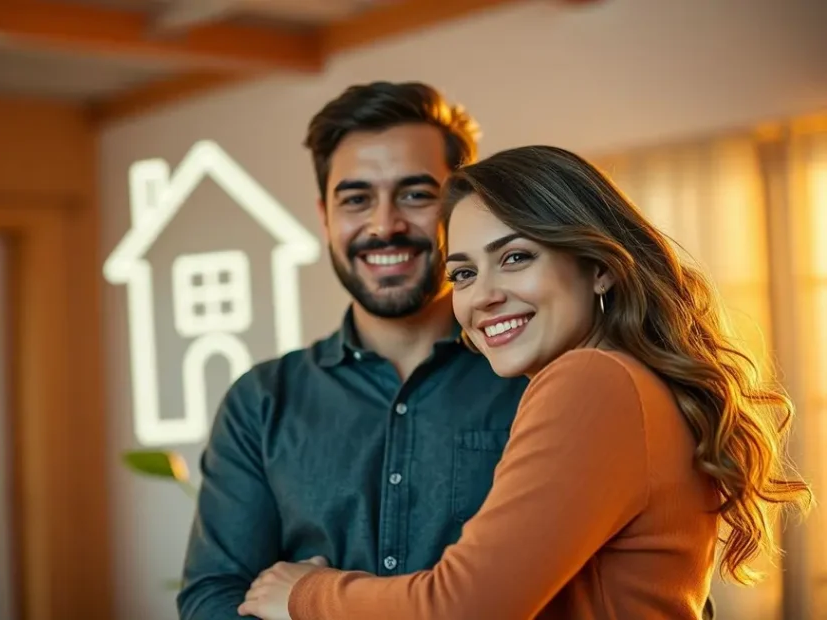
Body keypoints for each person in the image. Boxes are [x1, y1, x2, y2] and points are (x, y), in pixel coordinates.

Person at [238, 145, 813, 619]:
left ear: (600, 266)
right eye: (464, 272)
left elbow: (465, 606)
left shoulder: (591, 381)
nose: (483, 295)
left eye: (514, 258)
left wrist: (299, 594)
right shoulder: (631, 381)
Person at [176, 82, 530, 620]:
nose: (384, 225)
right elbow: (212, 602)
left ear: (463, 209)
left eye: (415, 194)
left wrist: (310, 601)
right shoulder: (260, 403)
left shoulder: (538, 379)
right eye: (356, 198)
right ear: (324, 216)